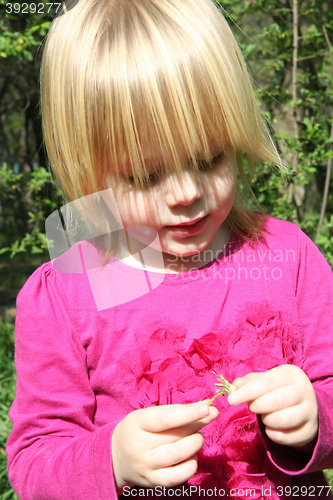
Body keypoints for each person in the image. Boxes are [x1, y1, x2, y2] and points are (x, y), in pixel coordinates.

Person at [6, 0, 333, 498]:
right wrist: (110, 459)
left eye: (208, 157)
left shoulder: (286, 255)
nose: (186, 192)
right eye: (145, 174)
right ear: (88, 171)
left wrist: (315, 416)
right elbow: (34, 461)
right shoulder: (67, 294)